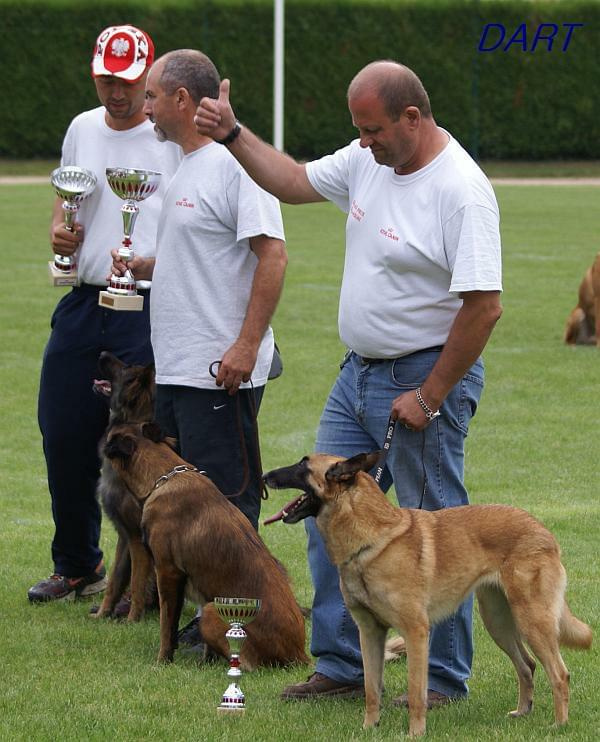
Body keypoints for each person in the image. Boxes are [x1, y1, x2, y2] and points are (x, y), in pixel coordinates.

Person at [194, 60, 503, 706]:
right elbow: (295, 179)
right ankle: (340, 664)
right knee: (323, 513)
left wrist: (430, 395)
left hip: (423, 379)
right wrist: (232, 134)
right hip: (357, 374)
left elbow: (483, 307)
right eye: (358, 130)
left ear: (412, 119)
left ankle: (442, 679)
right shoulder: (370, 161)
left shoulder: (460, 190)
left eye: (373, 129)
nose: (363, 141)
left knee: (436, 529)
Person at [29, 25, 182, 603]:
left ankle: (155, 576)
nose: (114, 93)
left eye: (125, 82)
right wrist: (60, 233)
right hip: (82, 300)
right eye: (104, 80)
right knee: (63, 431)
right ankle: (76, 564)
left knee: (143, 444)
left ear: (146, 77)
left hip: (144, 307)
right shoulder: (81, 128)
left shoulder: (169, 136)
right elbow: (69, 202)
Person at [110, 48, 287, 534]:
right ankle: (205, 610)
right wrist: (146, 266)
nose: (145, 108)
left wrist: (247, 345)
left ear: (182, 98)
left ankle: (237, 612)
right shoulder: (186, 163)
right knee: (184, 504)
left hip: (218, 372)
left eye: (151, 96)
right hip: (176, 369)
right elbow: (204, 254)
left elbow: (273, 256)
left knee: (225, 506)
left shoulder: (237, 164)